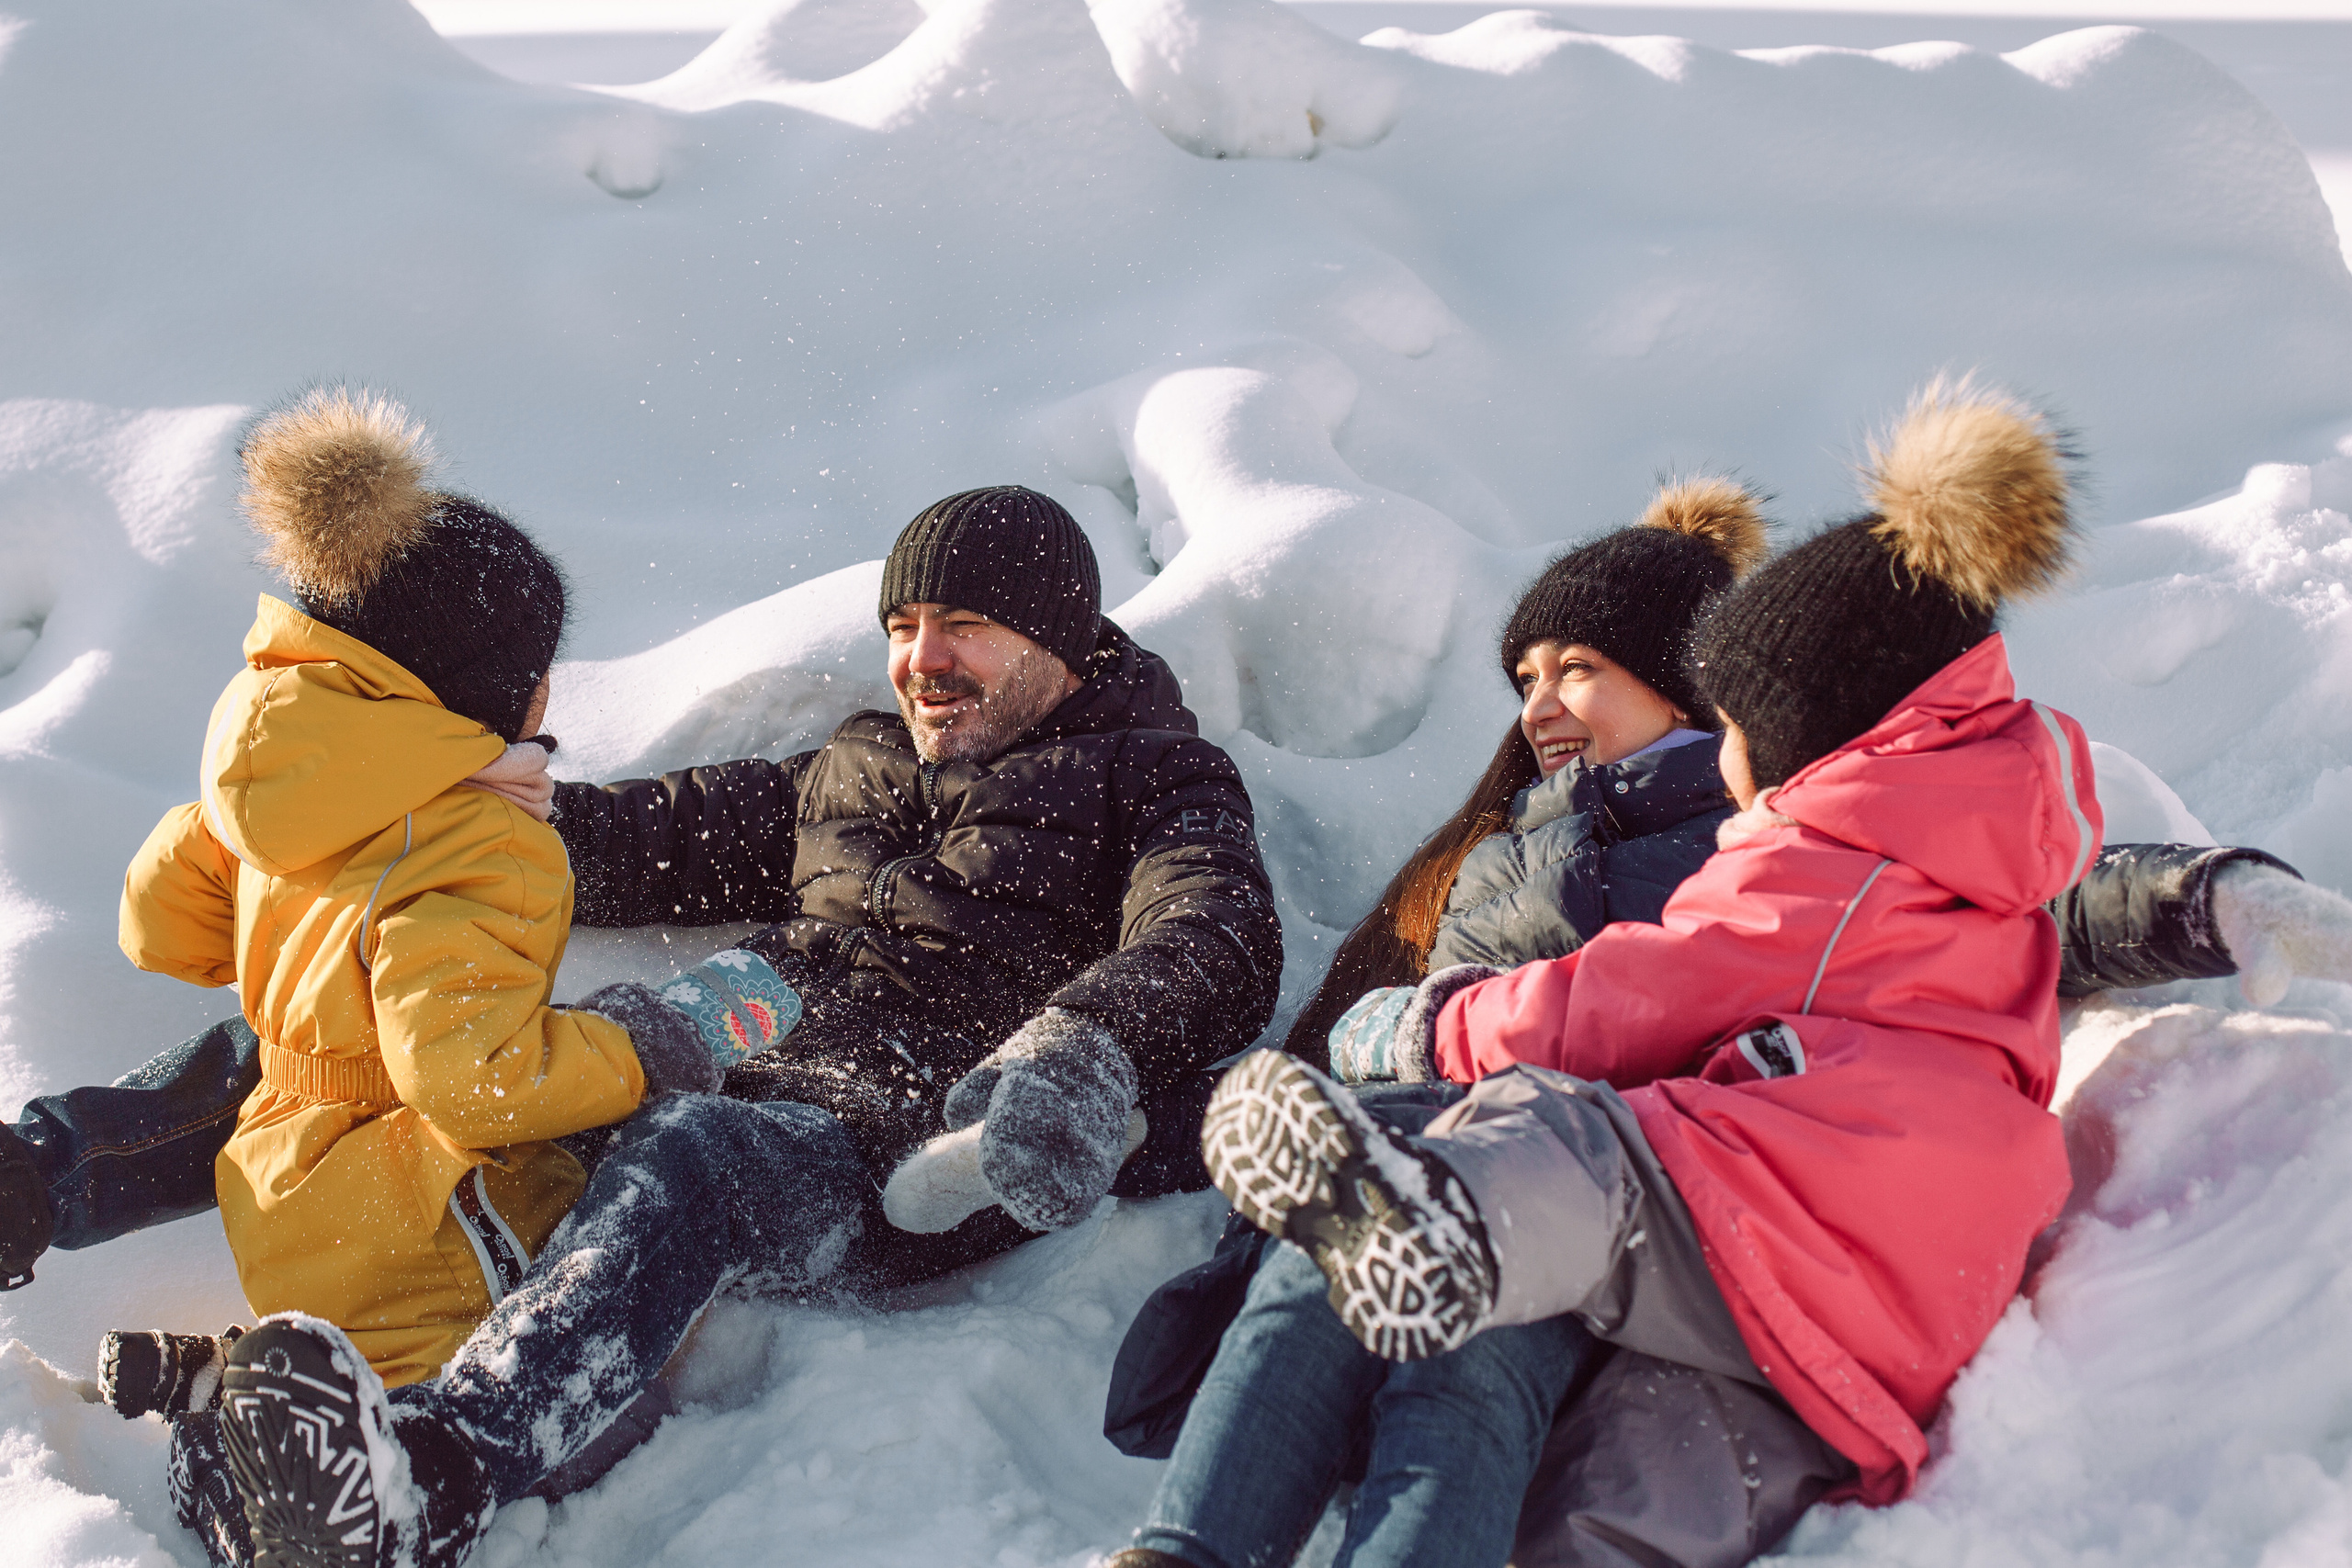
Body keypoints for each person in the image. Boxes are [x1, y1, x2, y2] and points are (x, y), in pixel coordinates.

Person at [1108, 380, 2352, 1568]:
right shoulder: (1512, 848)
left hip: (1657, 1192)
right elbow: (1335, 1044)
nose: (1540, 699)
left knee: (1512, 1215)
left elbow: (2020, 912)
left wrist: (2202, 893)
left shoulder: (1808, 840)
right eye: (1525, 674)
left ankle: (1413, 1268)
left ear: (1698, 687)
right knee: (1610, 1493)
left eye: (1578, 665)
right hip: (1736, 1260)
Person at [3, 477, 1282, 1568]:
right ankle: (37, 1178)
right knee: (349, 1031)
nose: (922, 656)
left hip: (911, 1142)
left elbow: (1213, 934)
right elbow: (633, 837)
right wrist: (421, 794)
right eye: (904, 622)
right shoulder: (853, 763)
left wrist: (1085, 1045)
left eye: (966, 624)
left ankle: (439, 1467)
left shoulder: (1151, 774)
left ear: (1058, 635)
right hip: (716, 1047)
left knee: (694, 1158)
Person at [113, 388, 794, 1398]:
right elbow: (471, 1083)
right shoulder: (477, 842)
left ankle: (228, 1389)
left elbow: (161, 934)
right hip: (425, 1207)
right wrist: (641, 1048)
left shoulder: (281, 793)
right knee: (553, 1408)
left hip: (278, 1175)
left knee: (371, 1374)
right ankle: (281, 1427)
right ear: (485, 690)